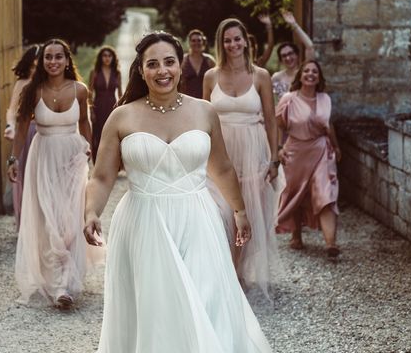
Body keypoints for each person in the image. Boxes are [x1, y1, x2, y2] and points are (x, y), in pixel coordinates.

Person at [84, 31, 272, 353]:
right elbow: (102, 177)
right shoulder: (122, 116)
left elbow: (222, 168)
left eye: (169, 62)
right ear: (141, 70)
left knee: (205, 300)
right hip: (143, 221)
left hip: (198, 219)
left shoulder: (203, 111)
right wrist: (91, 212)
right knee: (158, 309)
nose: (162, 71)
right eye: (153, 64)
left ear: (180, 64)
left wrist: (240, 211)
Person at [7, 38, 101, 309]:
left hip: (72, 157)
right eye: (48, 57)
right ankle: (58, 281)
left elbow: (85, 122)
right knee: (49, 217)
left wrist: (90, 155)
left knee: (70, 218)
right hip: (43, 156)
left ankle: (66, 284)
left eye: (58, 57)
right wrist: (13, 159)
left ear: (67, 60)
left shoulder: (80, 90)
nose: (53, 62)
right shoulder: (32, 91)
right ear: (42, 61)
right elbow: (22, 126)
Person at [203, 18, 284, 301]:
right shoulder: (210, 77)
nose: (233, 44)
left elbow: (272, 121)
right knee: (221, 212)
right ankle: (222, 269)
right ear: (221, 43)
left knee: (247, 212)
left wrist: (274, 159)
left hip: (253, 150)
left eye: (237, 39)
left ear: (246, 42)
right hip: (220, 151)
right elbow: (202, 119)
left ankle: (236, 271)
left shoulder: (261, 75)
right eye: (227, 40)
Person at [275, 60, 341, 258]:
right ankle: (296, 235)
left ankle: (331, 244)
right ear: (300, 75)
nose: (310, 74)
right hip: (295, 151)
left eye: (314, 71)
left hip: (321, 150)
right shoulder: (289, 98)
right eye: (306, 71)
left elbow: (328, 125)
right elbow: (278, 125)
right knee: (296, 193)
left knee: (326, 193)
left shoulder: (325, 99)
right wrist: (278, 148)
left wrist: (336, 146)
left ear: (319, 77)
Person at [4, 43, 40, 228]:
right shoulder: (22, 83)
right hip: (24, 134)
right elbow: (11, 110)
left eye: (37, 66)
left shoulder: (47, 84)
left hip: (43, 134)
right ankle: (25, 223)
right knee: (24, 177)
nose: (34, 70)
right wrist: (10, 126)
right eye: (32, 66)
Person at [271, 9, 316, 100]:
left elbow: (310, 47)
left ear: (297, 55)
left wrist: (294, 25)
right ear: (281, 60)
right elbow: (271, 101)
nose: (288, 58)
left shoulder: (305, 73)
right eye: (284, 56)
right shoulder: (277, 77)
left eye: (290, 53)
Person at [88, 46, 122, 162]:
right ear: (100, 58)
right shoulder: (95, 72)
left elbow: (121, 94)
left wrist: (121, 110)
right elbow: (89, 93)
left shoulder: (117, 73)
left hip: (112, 107)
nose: (107, 58)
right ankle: (97, 161)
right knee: (98, 134)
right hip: (98, 107)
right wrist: (91, 111)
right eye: (104, 56)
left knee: (112, 135)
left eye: (109, 56)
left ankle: (112, 162)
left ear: (113, 58)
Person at [179, 29, 215, 98]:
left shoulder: (210, 61)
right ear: (189, 42)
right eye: (193, 41)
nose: (196, 43)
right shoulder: (183, 61)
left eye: (199, 40)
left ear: (203, 42)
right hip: (187, 101)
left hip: (206, 102)